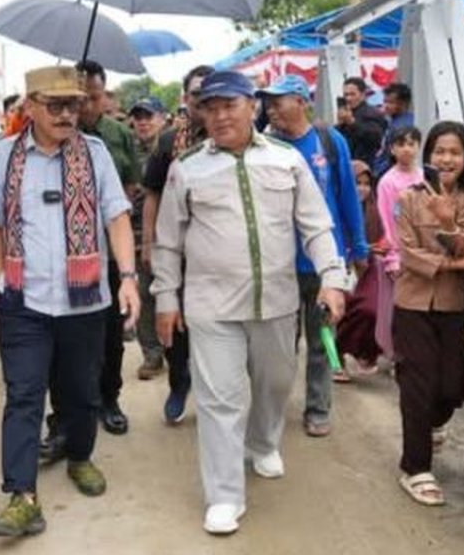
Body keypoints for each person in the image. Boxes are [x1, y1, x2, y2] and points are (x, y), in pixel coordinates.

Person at [152, 70, 346, 536]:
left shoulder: (286, 160)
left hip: (276, 301)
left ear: (252, 107)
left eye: (229, 106)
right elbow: (167, 241)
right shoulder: (188, 167)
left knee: (276, 381)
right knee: (220, 398)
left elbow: (317, 226)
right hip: (211, 305)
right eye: (210, 108)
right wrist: (164, 298)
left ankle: (263, 442)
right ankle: (223, 494)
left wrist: (332, 279)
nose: (219, 116)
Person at [0, 66, 138, 538]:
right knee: (24, 394)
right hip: (24, 301)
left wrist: (127, 277)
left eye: (75, 104)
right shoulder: (5, 155)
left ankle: (81, 456)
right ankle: (21, 496)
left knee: (82, 392)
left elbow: (118, 218)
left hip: (85, 302)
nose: (68, 114)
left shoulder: (96, 154)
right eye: (56, 105)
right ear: (30, 107)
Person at [392, 121, 464, 507]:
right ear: (429, 155)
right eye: (439, 151)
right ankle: (415, 467)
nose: (446, 158)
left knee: (451, 388)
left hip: (453, 307)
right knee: (417, 386)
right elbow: (406, 252)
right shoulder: (408, 197)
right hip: (412, 305)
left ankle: (430, 424)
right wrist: (457, 262)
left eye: (455, 152)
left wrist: (449, 222)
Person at [40, 59, 141, 460]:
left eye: (90, 99)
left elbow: (130, 188)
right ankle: (63, 418)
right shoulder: (47, 140)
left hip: (106, 253)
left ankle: (108, 399)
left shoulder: (115, 137)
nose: (80, 109)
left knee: (110, 336)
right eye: (73, 101)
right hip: (56, 259)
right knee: (57, 342)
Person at [258, 74, 367, 437]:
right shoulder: (266, 146)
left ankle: (319, 407)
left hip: (324, 265)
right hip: (281, 264)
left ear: (301, 101)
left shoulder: (329, 141)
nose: (270, 108)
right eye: (267, 102)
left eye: (278, 100)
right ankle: (273, 405)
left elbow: (348, 195)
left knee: (323, 340)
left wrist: (358, 247)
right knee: (280, 346)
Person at [142, 65, 211, 424]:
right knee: (176, 324)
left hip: (219, 254)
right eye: (196, 93)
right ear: (185, 98)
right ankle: (178, 383)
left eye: (208, 92)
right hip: (178, 250)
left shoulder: (236, 137)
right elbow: (152, 194)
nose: (201, 100)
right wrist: (149, 243)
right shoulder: (169, 142)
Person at [334, 160, 389, 379]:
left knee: (371, 309)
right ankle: (335, 358)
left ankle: (364, 351)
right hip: (338, 268)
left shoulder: (375, 211)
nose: (362, 188)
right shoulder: (336, 208)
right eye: (357, 183)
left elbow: (384, 239)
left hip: (368, 270)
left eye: (367, 184)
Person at [128, 96, 167, 381]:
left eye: (148, 116)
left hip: (173, 236)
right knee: (144, 296)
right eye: (138, 117)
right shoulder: (129, 152)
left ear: (162, 118)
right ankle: (152, 354)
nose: (143, 122)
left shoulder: (173, 149)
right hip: (137, 235)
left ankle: (177, 352)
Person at [377, 126, 424, 278]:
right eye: (401, 145)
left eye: (411, 144)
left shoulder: (426, 177)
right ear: (392, 149)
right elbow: (387, 220)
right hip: (400, 257)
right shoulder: (387, 182)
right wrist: (393, 258)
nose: (406, 149)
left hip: (424, 253)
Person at [342, 77, 388, 166]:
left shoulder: (372, 113)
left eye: (352, 94)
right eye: (346, 95)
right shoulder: (348, 112)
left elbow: (375, 138)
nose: (348, 98)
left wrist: (352, 123)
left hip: (366, 166)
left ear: (363, 95)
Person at [374, 83, 414, 177]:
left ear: (403, 104)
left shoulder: (402, 127)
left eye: (391, 102)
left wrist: (379, 172)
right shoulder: (393, 121)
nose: (386, 106)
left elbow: (393, 156)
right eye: (385, 102)